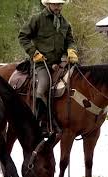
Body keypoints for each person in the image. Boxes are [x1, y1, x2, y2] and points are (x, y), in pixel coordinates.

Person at [18, 0, 78, 136]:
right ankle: (41, 123)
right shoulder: (37, 19)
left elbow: (70, 40)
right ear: (48, 4)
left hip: (61, 63)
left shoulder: (65, 23)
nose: (58, 7)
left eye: (60, 4)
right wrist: (34, 53)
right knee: (43, 88)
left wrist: (71, 50)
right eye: (55, 4)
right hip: (41, 63)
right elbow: (23, 36)